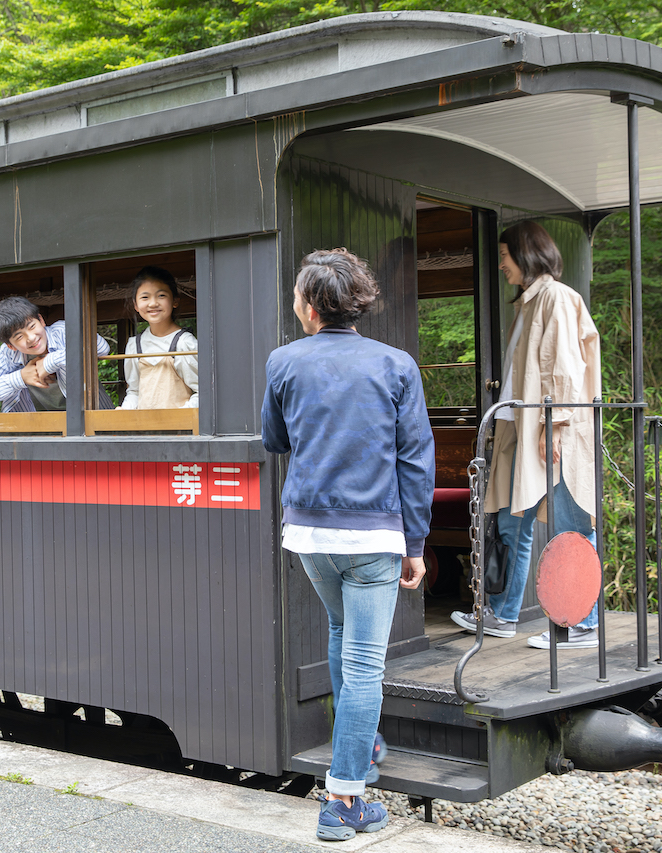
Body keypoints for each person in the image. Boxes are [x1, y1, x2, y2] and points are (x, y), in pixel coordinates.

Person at [262, 248, 434, 842]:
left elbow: (273, 439)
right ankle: (344, 800)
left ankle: (363, 744)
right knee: (366, 663)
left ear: (309, 307)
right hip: (375, 536)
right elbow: (415, 458)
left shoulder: (283, 362)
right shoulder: (395, 365)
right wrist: (416, 542)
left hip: (309, 533)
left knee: (342, 635)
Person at [450, 221, 602, 649]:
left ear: (526, 254)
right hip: (523, 428)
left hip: (553, 432)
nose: (500, 265)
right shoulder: (530, 303)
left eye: (504, 255)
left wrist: (553, 427)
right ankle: (503, 615)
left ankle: (582, 623)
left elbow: (565, 368)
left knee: (571, 524)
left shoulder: (555, 297)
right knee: (511, 524)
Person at [0, 296, 114, 412]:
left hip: (92, 420)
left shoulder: (62, 331)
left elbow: (101, 347)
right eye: (19, 336)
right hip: (43, 429)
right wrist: (20, 377)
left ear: (41, 320)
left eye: (32, 326)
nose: (31, 337)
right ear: (10, 345)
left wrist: (51, 361)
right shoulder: (9, 353)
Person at [118, 266, 198, 410]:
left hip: (181, 429)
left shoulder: (185, 343)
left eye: (161, 295)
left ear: (175, 301)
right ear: (136, 305)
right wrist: (124, 412)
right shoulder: (134, 345)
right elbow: (134, 392)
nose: (153, 303)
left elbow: (202, 392)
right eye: (145, 297)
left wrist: (180, 418)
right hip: (143, 430)